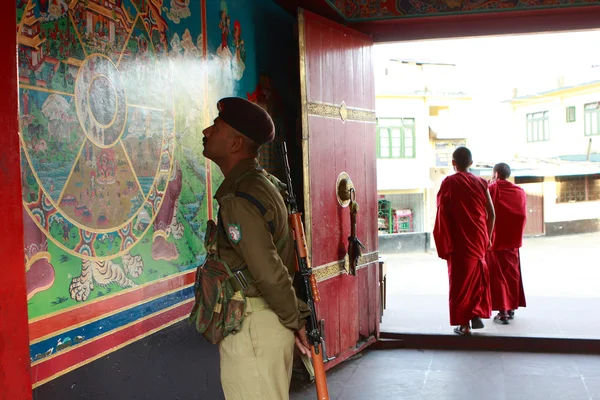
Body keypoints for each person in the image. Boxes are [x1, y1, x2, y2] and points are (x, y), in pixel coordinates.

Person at [202, 97, 311, 399]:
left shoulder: (241, 197)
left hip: (254, 328)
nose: (207, 131)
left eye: (216, 127)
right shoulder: (263, 184)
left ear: (236, 143)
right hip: (263, 324)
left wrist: (295, 319)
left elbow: (268, 271)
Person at [433, 147, 496, 335]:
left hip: (459, 239)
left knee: (460, 282)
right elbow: (491, 214)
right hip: (478, 237)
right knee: (477, 278)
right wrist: (489, 237)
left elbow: (442, 212)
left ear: (453, 163)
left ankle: (464, 324)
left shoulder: (449, 182)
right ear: (471, 163)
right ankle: (475, 313)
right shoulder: (481, 183)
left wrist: (443, 236)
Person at [486, 163, 527, 324]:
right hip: (513, 241)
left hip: (495, 240)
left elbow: (486, 212)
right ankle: (510, 308)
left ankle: (502, 312)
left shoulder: (492, 188)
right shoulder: (519, 191)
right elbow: (522, 215)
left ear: (496, 174)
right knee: (511, 274)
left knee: (497, 276)